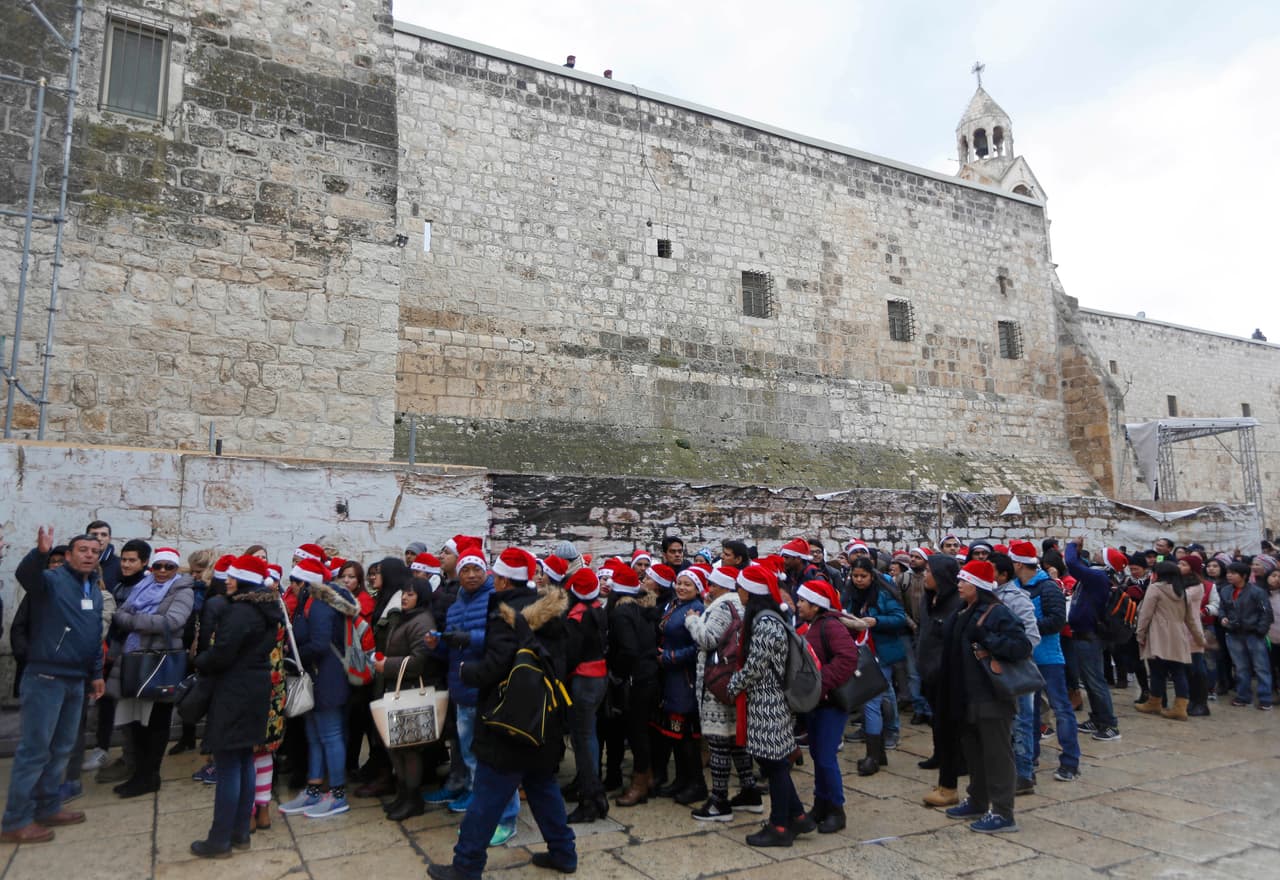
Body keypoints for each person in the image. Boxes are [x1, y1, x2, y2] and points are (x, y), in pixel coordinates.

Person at [427, 548, 575, 880]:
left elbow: (496, 665)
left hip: (509, 722)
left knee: (486, 798)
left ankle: (465, 866)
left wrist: (468, 672)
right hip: (543, 718)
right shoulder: (550, 612)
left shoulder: (506, 615)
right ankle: (564, 852)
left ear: (504, 579)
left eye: (495, 575)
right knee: (542, 787)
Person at [2, 528, 106, 844]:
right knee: (35, 751)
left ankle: (48, 806)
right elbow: (25, 575)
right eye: (82, 549)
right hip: (46, 678)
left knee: (61, 749)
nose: (89, 554)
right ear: (70, 555)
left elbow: (92, 635)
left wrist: (96, 673)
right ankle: (15, 821)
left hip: (77, 680)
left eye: (94, 550)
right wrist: (40, 552)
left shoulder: (94, 590)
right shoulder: (50, 581)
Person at [189, 555, 283, 858]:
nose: (226, 580)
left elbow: (223, 653)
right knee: (244, 761)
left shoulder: (241, 612)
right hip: (254, 687)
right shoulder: (266, 609)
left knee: (229, 764)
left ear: (244, 580)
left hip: (235, 690)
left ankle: (220, 839)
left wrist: (200, 661)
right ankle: (241, 832)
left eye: (232, 576)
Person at [941, 560, 1032, 834]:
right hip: (966, 694)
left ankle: (1003, 812)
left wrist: (989, 641)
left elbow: (1022, 646)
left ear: (978, 586)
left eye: (964, 581)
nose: (959, 584)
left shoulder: (997, 613)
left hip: (990, 695)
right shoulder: (963, 610)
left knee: (997, 754)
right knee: (974, 752)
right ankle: (978, 800)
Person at [728, 564, 815, 848]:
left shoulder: (766, 624)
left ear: (750, 592)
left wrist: (733, 684)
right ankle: (799, 816)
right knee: (773, 761)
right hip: (767, 699)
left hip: (769, 701)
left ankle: (779, 826)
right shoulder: (769, 619)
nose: (737, 592)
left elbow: (755, 666)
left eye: (739, 587)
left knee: (775, 764)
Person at [107, 546, 194, 797]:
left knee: (155, 721)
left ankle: (149, 775)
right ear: (151, 567)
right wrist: (138, 620)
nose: (163, 571)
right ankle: (139, 772)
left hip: (159, 662)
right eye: (159, 566)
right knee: (135, 720)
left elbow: (172, 622)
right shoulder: (142, 585)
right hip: (133, 659)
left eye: (169, 567)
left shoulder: (182, 591)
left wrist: (134, 621)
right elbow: (119, 614)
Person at [278, 557, 359, 818]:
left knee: (330, 735)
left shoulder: (321, 605)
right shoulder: (308, 603)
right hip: (314, 677)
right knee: (314, 736)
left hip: (327, 677)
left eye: (294, 581)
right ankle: (314, 790)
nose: (291, 585)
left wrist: (294, 655)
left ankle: (337, 795)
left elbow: (321, 643)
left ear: (305, 583)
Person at [685, 565, 763, 822]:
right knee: (736, 740)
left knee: (719, 743)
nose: (709, 588)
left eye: (712, 584)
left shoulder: (722, 606)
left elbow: (707, 639)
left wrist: (693, 620)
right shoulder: (741, 605)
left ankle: (719, 801)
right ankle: (750, 791)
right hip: (735, 680)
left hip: (717, 683)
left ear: (721, 586)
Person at [1007, 541, 1079, 784]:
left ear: (1018, 563)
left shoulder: (1048, 587)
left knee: (1061, 709)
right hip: (1026, 659)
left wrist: (1024, 628)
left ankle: (1070, 761)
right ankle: (1031, 755)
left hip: (1048, 658)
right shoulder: (1014, 587)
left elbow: (1058, 620)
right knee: (1030, 712)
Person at [796, 580, 858, 833]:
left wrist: (819, 684)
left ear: (815, 604)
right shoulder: (816, 625)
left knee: (825, 756)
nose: (798, 605)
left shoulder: (831, 626)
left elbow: (848, 658)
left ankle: (836, 808)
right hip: (818, 702)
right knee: (818, 754)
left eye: (802, 601)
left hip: (830, 702)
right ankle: (821, 803)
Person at [373, 578, 436, 820]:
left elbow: (420, 659)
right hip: (396, 687)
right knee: (396, 746)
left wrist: (386, 665)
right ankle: (403, 794)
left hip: (409, 690)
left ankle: (413, 798)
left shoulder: (422, 621)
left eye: (410, 594)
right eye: (403, 594)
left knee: (409, 749)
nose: (405, 598)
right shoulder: (406, 617)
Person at [845, 556, 907, 772]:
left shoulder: (883, 594)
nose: (859, 580)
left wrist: (877, 621)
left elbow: (899, 618)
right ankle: (879, 749)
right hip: (862, 652)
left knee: (872, 700)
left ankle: (873, 753)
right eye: (855, 576)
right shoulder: (851, 594)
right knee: (883, 695)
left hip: (881, 652)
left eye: (863, 576)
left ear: (872, 576)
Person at [610, 562, 662, 807]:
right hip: (648, 674)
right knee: (643, 730)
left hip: (637, 678)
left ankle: (640, 782)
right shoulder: (642, 608)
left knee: (637, 730)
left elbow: (629, 649)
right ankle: (648, 776)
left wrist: (618, 673)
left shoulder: (622, 612)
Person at [561, 568, 610, 823]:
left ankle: (591, 797)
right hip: (598, 678)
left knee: (583, 737)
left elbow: (571, 653)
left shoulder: (577, 616)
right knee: (588, 734)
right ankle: (588, 785)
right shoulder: (598, 609)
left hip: (583, 680)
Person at [917, 554, 964, 807]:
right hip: (929, 673)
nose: (925, 575)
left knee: (950, 728)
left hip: (948, 677)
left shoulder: (957, 604)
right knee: (938, 723)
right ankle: (942, 759)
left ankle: (950, 782)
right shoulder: (928, 600)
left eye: (929, 571)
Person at [1065, 540, 1122, 741]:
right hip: (1083, 635)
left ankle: (1109, 724)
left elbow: (1071, 564)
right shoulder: (1098, 575)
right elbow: (1080, 565)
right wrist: (1079, 552)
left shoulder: (1098, 577)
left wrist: (1072, 545)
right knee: (1089, 680)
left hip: (1089, 636)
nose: (1096, 553)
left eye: (1100, 553)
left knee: (1095, 680)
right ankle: (1097, 718)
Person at [1135, 561, 1206, 721]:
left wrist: (1140, 634)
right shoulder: (1183, 591)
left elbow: (1145, 613)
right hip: (1178, 634)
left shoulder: (1155, 588)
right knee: (1178, 671)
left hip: (1158, 634)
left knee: (1157, 671)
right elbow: (1191, 619)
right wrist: (1199, 638)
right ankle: (1180, 708)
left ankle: (1155, 702)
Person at [1219, 560, 1275, 710]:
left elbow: (1266, 613)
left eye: (1233, 573)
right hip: (1233, 633)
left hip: (1253, 634)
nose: (1229, 576)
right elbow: (1222, 608)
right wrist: (1222, 618)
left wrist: (1260, 630)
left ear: (1243, 576)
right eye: (1228, 573)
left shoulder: (1257, 592)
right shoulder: (1225, 591)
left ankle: (1265, 698)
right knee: (1240, 667)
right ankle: (1244, 696)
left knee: (1261, 667)